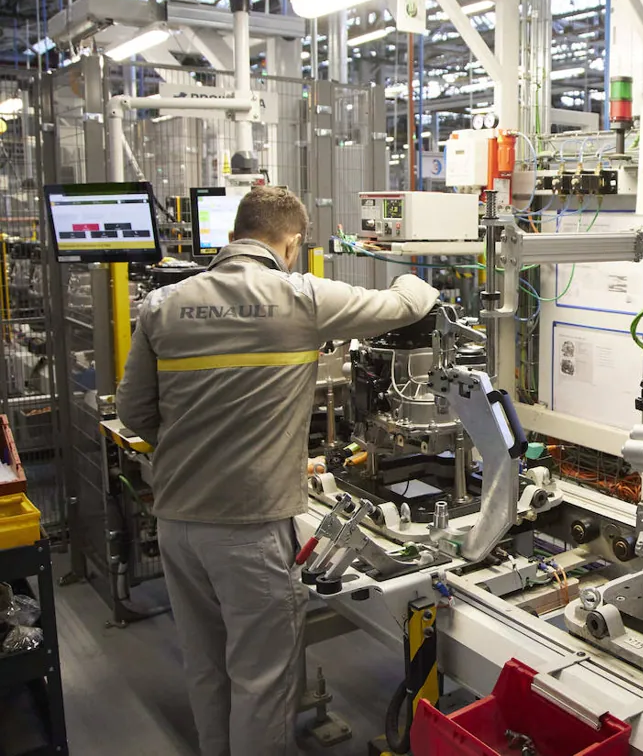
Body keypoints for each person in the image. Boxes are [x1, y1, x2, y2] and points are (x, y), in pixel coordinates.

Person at [116, 186, 440, 756]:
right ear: (290, 243)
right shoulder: (302, 298)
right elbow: (407, 303)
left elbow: (134, 412)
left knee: (206, 664)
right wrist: (416, 268)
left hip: (176, 521)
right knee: (262, 678)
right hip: (251, 526)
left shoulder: (164, 305)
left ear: (233, 234)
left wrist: (196, 447)